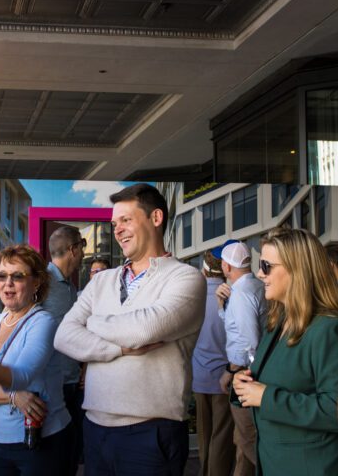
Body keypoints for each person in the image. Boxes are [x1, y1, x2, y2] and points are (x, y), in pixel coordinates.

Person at [54, 183, 206, 476]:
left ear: (156, 218)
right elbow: (64, 336)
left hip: (151, 434)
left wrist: (94, 321)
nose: (118, 230)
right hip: (95, 428)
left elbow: (144, 329)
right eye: (114, 224)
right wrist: (118, 348)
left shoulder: (185, 279)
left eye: (125, 220)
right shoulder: (101, 281)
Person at [232, 227, 338, 476]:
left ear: (297, 270)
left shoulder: (328, 328)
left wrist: (266, 397)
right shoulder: (279, 321)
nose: (259, 273)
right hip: (276, 462)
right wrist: (243, 384)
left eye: (266, 266)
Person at [0, 244, 72, 475]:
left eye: (17, 276)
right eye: (2, 276)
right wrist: (14, 397)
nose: (7, 283)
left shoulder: (43, 322)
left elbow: (20, 376)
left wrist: (3, 391)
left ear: (37, 282)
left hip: (42, 442)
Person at [215, 240, 267, 476]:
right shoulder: (254, 286)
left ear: (227, 267)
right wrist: (221, 304)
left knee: (247, 439)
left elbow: (251, 341)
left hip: (245, 374)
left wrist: (234, 371)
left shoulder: (241, 293)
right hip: (244, 370)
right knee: (242, 439)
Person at [41, 225, 86, 476]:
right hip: (50, 390)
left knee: (71, 458)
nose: (82, 253)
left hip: (72, 385)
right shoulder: (42, 282)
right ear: (73, 249)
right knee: (52, 461)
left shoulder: (70, 287)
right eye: (82, 247)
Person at [192, 250, 234, 476]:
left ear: (205, 268)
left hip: (199, 377)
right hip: (224, 378)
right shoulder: (231, 297)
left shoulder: (194, 298)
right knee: (221, 437)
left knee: (204, 436)